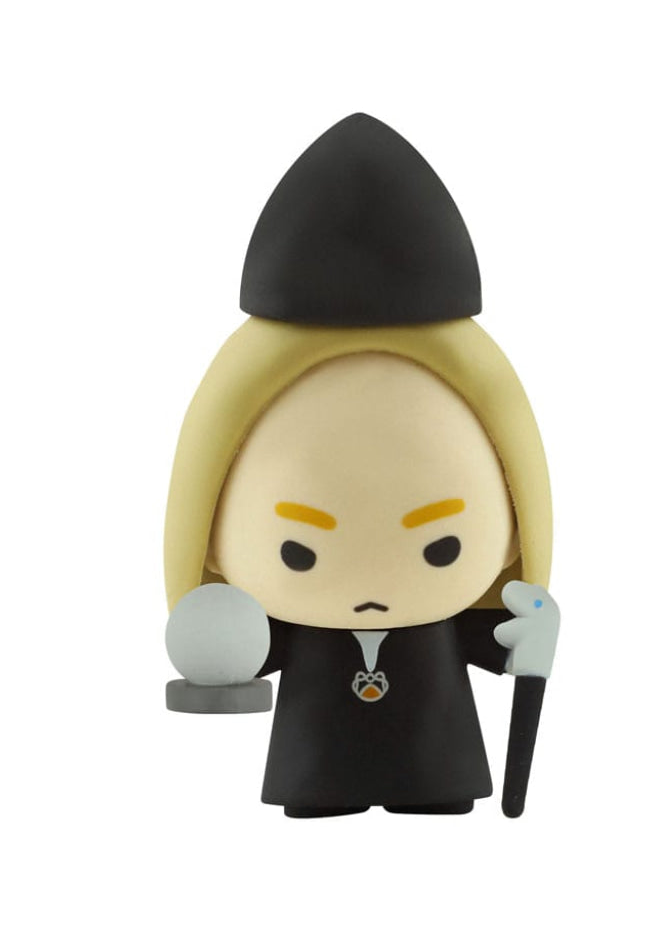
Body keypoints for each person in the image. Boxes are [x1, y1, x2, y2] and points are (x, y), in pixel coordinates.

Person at [163, 115, 560, 816]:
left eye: (441, 545)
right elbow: (247, 656)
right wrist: (214, 652)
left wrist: (525, 644)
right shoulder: (269, 621)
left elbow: (495, 643)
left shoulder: (450, 616)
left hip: (437, 768)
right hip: (315, 772)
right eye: (299, 549)